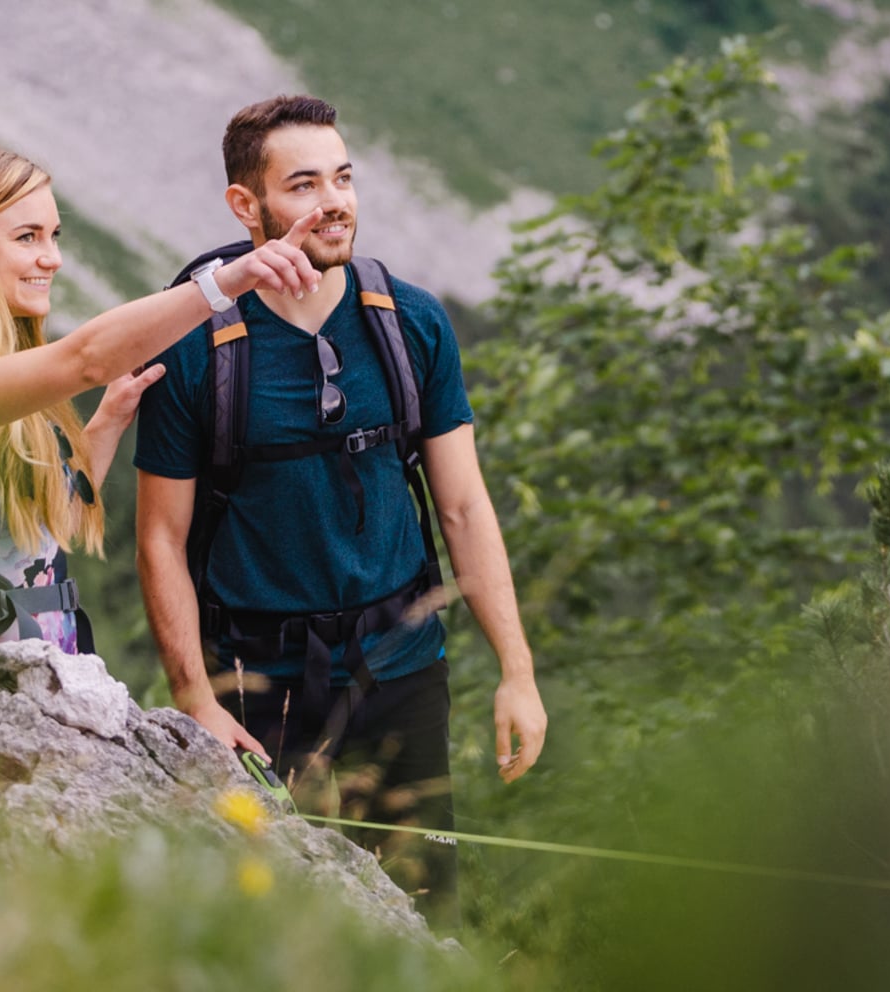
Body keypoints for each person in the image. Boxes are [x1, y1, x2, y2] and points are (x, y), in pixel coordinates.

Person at [132, 95, 548, 928]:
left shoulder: (410, 323)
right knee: (275, 932)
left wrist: (518, 671)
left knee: (425, 919)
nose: (336, 201)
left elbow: (463, 506)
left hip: (402, 676)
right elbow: (160, 536)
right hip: (255, 691)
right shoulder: (192, 343)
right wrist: (195, 698)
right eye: (305, 184)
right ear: (245, 206)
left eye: (345, 177)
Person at [0, 144, 322, 735]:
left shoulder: (5, 381)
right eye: (28, 237)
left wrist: (106, 422)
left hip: (41, 711)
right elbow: (85, 359)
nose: (53, 258)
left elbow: (35, 529)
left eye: (54, 234)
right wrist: (226, 282)